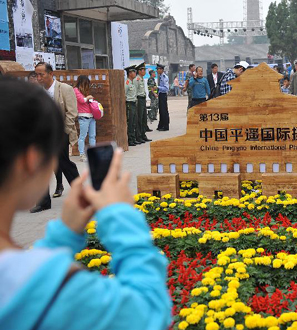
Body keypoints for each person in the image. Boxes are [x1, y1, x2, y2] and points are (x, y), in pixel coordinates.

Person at [0, 77, 172, 329]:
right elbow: (148, 312)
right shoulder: (51, 291)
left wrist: (64, 236)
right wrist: (120, 215)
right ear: (32, 162)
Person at [31, 62, 79, 213]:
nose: (38, 78)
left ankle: (81, 195)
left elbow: (72, 112)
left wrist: (65, 131)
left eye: (41, 74)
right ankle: (43, 201)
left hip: (60, 134)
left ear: (51, 74)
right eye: (36, 74)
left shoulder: (64, 89)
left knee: (64, 164)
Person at [74, 75, 97, 162]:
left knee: (92, 136)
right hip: (83, 116)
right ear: (82, 82)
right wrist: (88, 97)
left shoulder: (85, 91)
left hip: (91, 116)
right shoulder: (75, 90)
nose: (87, 85)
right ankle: (82, 154)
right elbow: (81, 100)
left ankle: (93, 153)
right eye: (86, 83)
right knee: (82, 137)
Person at [134, 63, 152, 142]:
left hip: (143, 99)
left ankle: (143, 134)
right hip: (139, 100)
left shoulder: (141, 79)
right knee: (139, 119)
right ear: (139, 71)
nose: (145, 71)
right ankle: (139, 136)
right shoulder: (136, 79)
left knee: (144, 118)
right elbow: (135, 92)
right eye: (143, 70)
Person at [125, 65, 139, 146]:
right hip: (129, 104)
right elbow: (124, 94)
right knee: (130, 122)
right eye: (134, 72)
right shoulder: (126, 83)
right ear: (130, 73)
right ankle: (130, 140)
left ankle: (133, 138)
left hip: (134, 103)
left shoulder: (132, 82)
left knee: (133, 122)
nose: (135, 73)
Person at [156, 63, 170, 131]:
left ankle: (165, 125)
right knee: (161, 110)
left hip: (163, 95)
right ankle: (161, 125)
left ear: (161, 69)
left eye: (158, 69)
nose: (157, 70)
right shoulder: (160, 76)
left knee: (164, 110)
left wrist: (157, 87)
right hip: (160, 95)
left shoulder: (164, 77)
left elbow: (166, 88)